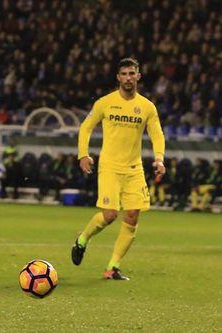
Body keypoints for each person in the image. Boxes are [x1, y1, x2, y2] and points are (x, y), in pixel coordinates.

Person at [72, 58, 166, 280]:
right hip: (110, 167)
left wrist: (159, 159)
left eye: (132, 73)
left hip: (134, 169)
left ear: (138, 76)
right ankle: (83, 239)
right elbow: (85, 127)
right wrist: (83, 154)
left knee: (132, 216)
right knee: (110, 215)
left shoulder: (147, 107)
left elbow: (157, 134)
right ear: (118, 77)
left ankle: (112, 267)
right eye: (124, 74)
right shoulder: (105, 103)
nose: (128, 78)